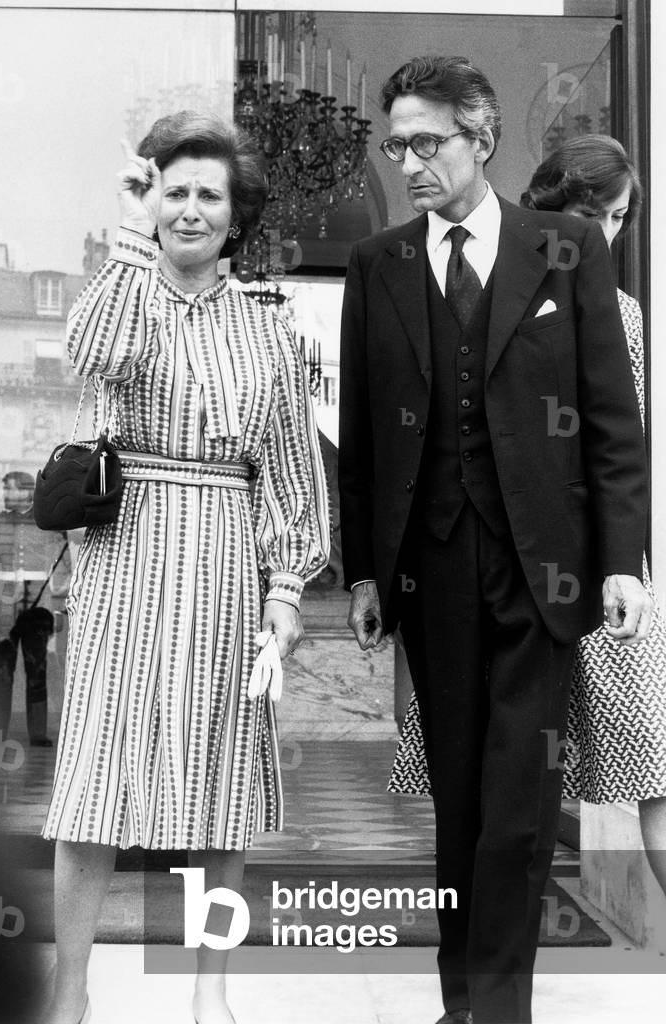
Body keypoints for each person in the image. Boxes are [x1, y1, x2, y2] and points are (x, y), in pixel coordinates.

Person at [338, 57, 651, 1024]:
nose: (411, 163)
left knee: (519, 806)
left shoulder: (566, 249)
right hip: (431, 566)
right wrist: (362, 574)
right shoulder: (378, 264)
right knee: (459, 802)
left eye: (428, 142)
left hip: (541, 565)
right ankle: (460, 1003)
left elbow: (610, 419)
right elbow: (361, 437)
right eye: (397, 147)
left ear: (482, 137)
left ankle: (499, 1011)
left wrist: (620, 564)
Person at [40, 111, 330, 1024]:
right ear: (150, 202)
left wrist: (285, 591)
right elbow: (97, 355)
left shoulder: (271, 333)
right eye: (174, 192)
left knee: (221, 788)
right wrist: (128, 236)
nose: (191, 209)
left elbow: (287, 468)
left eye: (210, 194)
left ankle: (211, 991)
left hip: (222, 558)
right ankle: (70, 989)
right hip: (125, 554)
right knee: (94, 778)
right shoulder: (120, 293)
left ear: (235, 214)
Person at [391, 135, 666, 903]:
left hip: (593, 564)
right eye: (591, 214)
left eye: (618, 219)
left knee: (652, 761)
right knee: (491, 773)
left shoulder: (621, 313)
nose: (604, 235)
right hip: (508, 563)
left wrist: (621, 561)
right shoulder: (483, 283)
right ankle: (487, 962)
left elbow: (621, 440)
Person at [0, 470, 71, 747]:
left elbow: (63, 569)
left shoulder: (49, 526)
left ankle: (38, 733)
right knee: (1, 675)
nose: (6, 495)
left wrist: (59, 608)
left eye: (11, 490)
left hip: (38, 608)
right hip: (3, 609)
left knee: (37, 672)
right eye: (5, 490)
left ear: (27, 492)